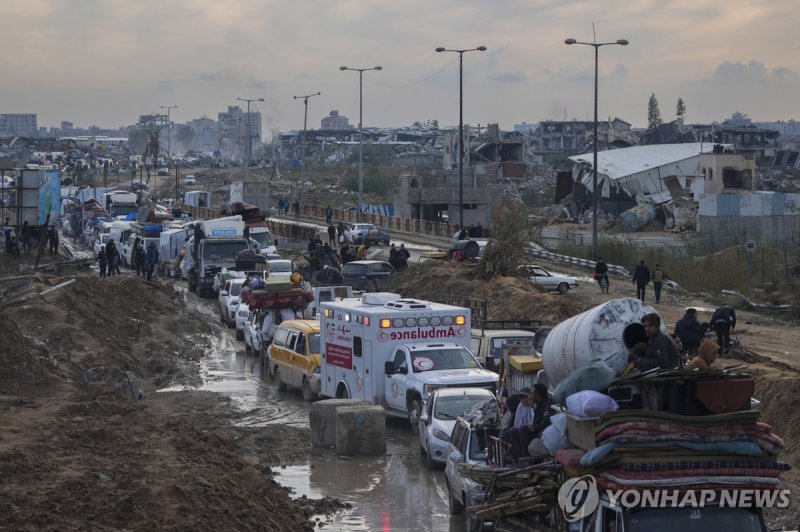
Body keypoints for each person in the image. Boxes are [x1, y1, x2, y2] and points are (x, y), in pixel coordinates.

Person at [507, 387, 534, 459]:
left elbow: (533, 420)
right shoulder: (520, 406)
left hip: (532, 430)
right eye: (521, 397)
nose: (523, 399)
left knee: (522, 429)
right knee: (512, 430)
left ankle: (526, 457)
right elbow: (517, 421)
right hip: (522, 430)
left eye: (525, 397)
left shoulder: (532, 406)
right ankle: (519, 458)